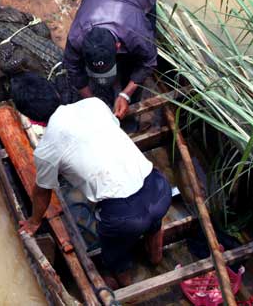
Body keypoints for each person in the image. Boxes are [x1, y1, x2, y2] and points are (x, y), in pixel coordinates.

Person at [10, 72, 171, 284]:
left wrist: (33, 222)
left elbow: (42, 191)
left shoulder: (46, 150)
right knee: (153, 222)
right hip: (159, 189)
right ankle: (156, 258)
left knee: (114, 254)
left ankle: (127, 287)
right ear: (56, 93)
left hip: (124, 216)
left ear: (32, 119)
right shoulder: (94, 104)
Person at [63, 0, 158, 120]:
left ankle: (127, 105)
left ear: (118, 46)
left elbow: (148, 61)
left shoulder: (136, 33)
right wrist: (91, 101)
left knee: (133, 63)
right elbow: (73, 68)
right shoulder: (76, 37)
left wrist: (126, 94)